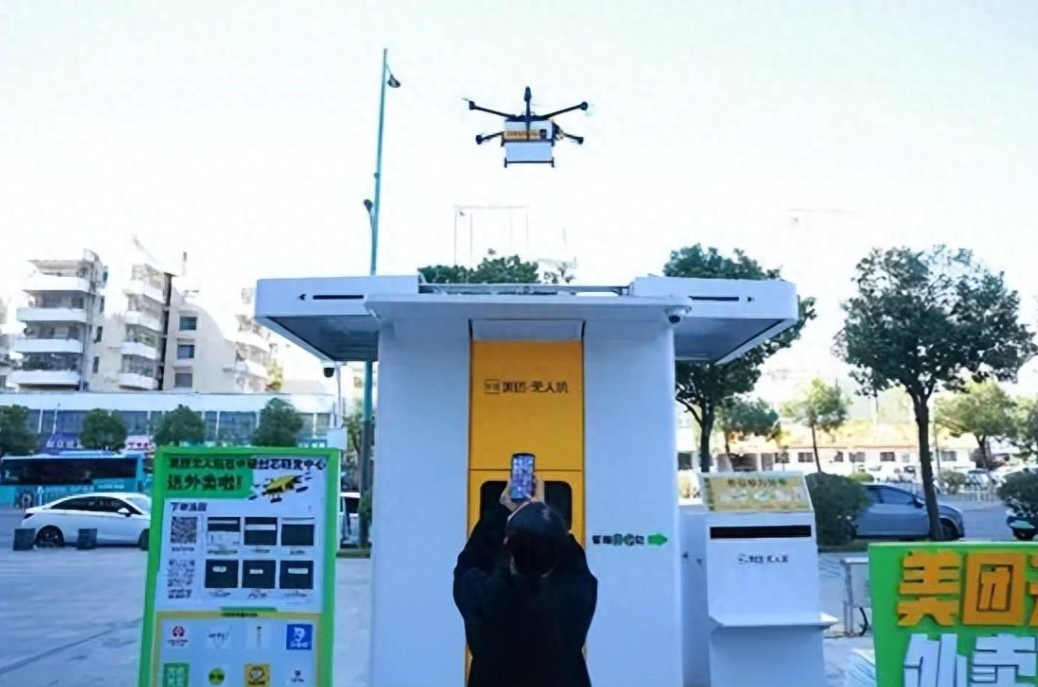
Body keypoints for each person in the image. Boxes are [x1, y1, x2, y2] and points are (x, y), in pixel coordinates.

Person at [453, 476, 597, 687]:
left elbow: (470, 561)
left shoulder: (484, 597)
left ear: (507, 544)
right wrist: (543, 515)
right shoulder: (574, 597)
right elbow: (573, 563)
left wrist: (501, 511)